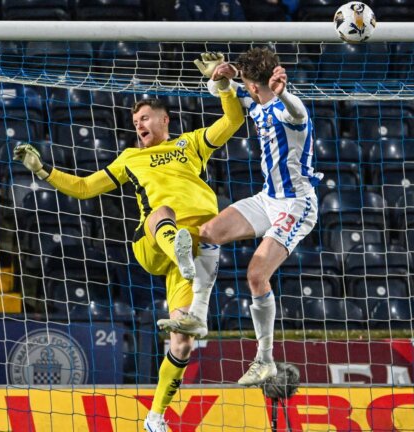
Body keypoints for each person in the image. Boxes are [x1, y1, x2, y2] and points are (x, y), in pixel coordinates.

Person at [13, 56, 244, 432]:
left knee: (182, 342)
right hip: (154, 242)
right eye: (135, 122)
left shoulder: (191, 144)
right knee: (161, 212)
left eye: (145, 119)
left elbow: (233, 120)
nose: (139, 125)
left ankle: (154, 418)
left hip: (197, 245)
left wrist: (224, 86)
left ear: (165, 120)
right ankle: (178, 248)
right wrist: (43, 170)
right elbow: (86, 187)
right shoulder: (130, 158)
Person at [158, 47, 320, 386]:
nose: (244, 88)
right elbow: (223, 95)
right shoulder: (256, 103)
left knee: (256, 276)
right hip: (268, 197)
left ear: (255, 85)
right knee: (208, 232)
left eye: (245, 83)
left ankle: (265, 360)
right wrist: (221, 77)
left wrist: (284, 93)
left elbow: (296, 112)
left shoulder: (289, 107)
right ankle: (197, 317)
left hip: (296, 204)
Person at [174, 0, 246, 21]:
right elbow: (185, 37)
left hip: (226, 54)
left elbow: (241, 35)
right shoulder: (185, 2)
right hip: (193, 55)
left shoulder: (231, 2)